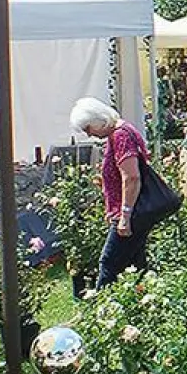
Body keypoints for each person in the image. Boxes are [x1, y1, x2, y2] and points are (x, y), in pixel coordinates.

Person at [70, 97, 151, 288]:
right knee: (135, 264)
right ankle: (140, 309)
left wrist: (124, 215)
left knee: (108, 263)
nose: (89, 135)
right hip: (134, 212)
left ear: (99, 120)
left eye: (88, 129)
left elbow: (131, 177)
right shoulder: (124, 130)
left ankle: (99, 313)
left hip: (130, 214)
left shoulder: (120, 136)